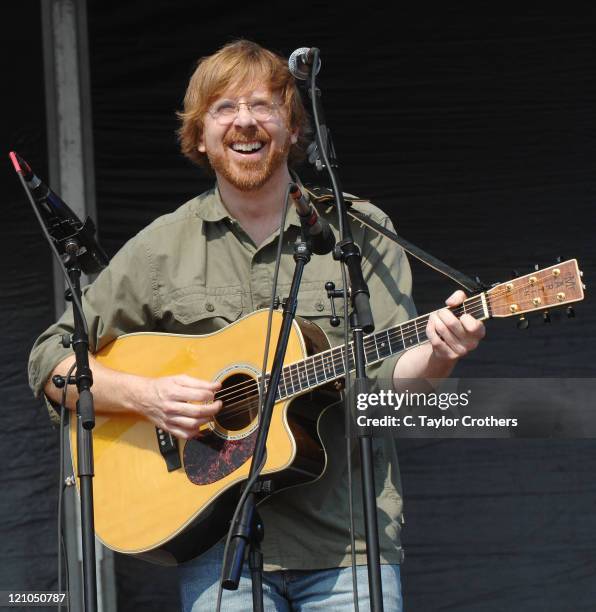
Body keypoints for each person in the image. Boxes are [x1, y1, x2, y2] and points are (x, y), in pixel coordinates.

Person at [28, 40, 485, 611]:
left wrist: (442, 353)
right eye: (224, 108)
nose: (245, 121)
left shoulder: (359, 232)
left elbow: (390, 387)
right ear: (199, 135)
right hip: (221, 553)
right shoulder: (162, 248)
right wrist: (148, 397)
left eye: (264, 105)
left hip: (347, 545)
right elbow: (53, 360)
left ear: (293, 129)